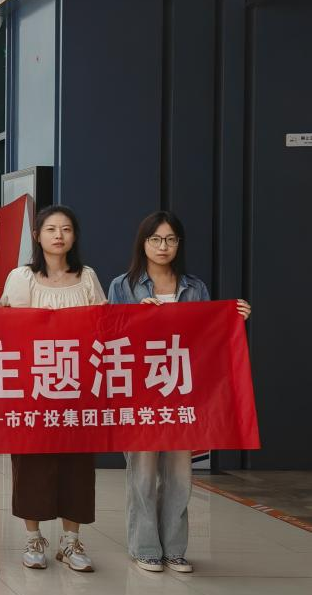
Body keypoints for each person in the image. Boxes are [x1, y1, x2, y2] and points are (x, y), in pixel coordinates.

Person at [107, 210, 251, 574]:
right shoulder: (123, 286)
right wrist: (135, 316)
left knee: (180, 474)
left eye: (171, 239)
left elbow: (207, 338)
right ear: (143, 243)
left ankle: (174, 548)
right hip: (139, 392)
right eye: (156, 239)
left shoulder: (194, 287)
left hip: (181, 392)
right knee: (142, 473)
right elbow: (109, 335)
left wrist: (233, 318)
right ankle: (145, 547)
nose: (163, 246)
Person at [0, 205, 106, 572]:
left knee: (77, 465)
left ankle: (71, 541)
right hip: (34, 386)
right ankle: (34, 538)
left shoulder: (87, 276)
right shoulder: (22, 277)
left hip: (78, 387)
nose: (58, 235)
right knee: (32, 463)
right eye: (50, 229)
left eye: (66, 229)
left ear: (74, 236)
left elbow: (103, 326)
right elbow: (13, 330)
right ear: (37, 236)